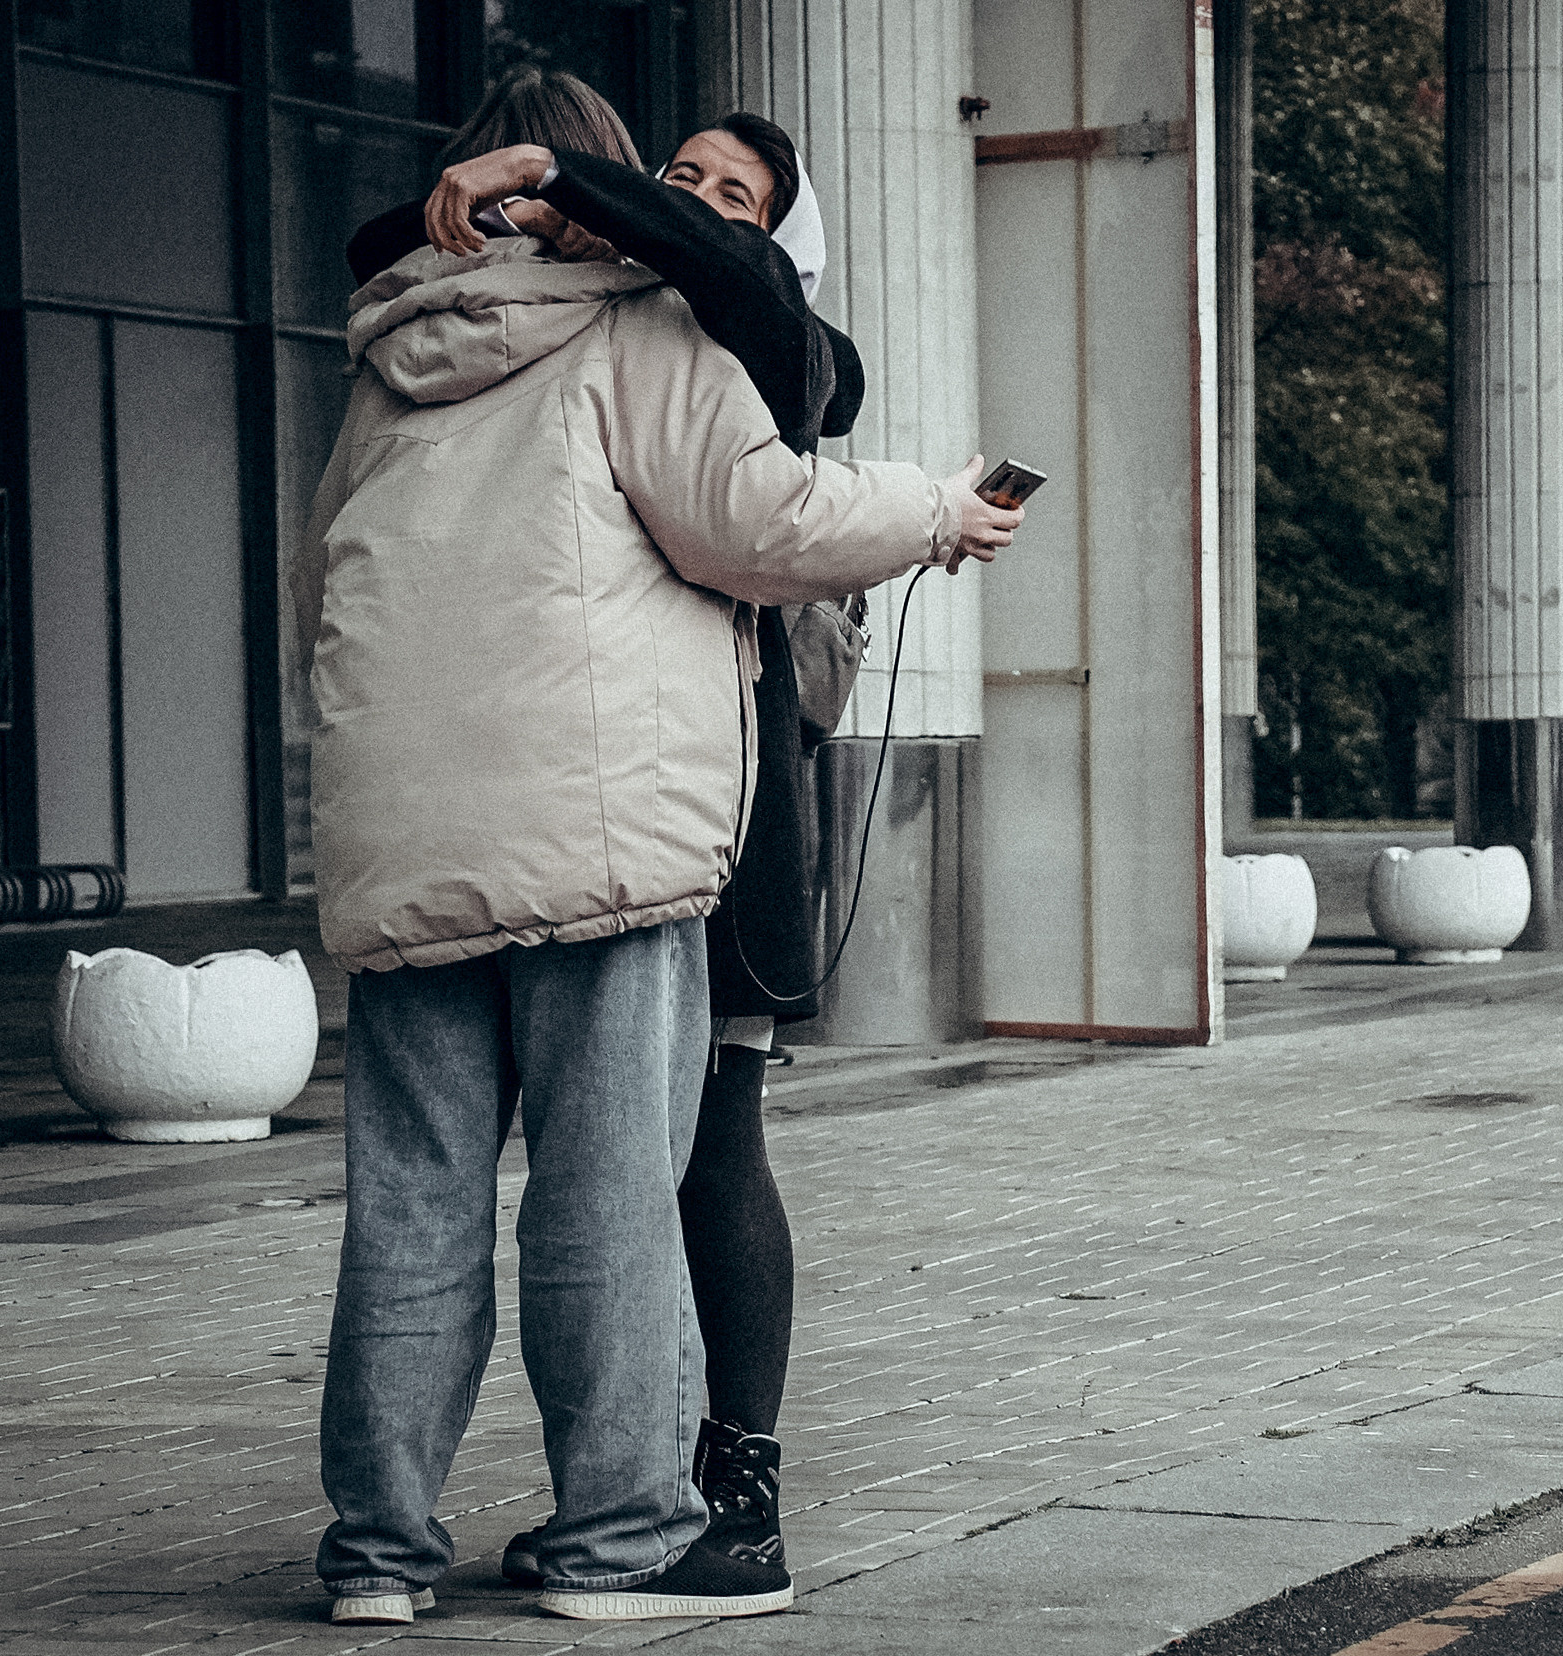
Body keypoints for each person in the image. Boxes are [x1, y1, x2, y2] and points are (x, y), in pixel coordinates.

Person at [294, 69, 1021, 1626]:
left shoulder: (386, 362)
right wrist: (936, 511)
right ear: (619, 195)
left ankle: (376, 1554)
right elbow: (756, 524)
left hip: (404, 838)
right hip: (597, 836)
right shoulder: (642, 329)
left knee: (411, 1198)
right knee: (607, 1190)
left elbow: (321, 595)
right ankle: (622, 1535)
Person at [347, 91, 874, 1591]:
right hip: (613, 808)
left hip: (699, 816)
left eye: (743, 195)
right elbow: (384, 236)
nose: (708, 203)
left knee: (698, 1149)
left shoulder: (771, 346)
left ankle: (730, 1480)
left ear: (788, 242)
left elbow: (780, 342)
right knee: (609, 1184)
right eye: (684, 178)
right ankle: (624, 1525)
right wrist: (536, 198)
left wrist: (559, 188)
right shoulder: (599, 333)